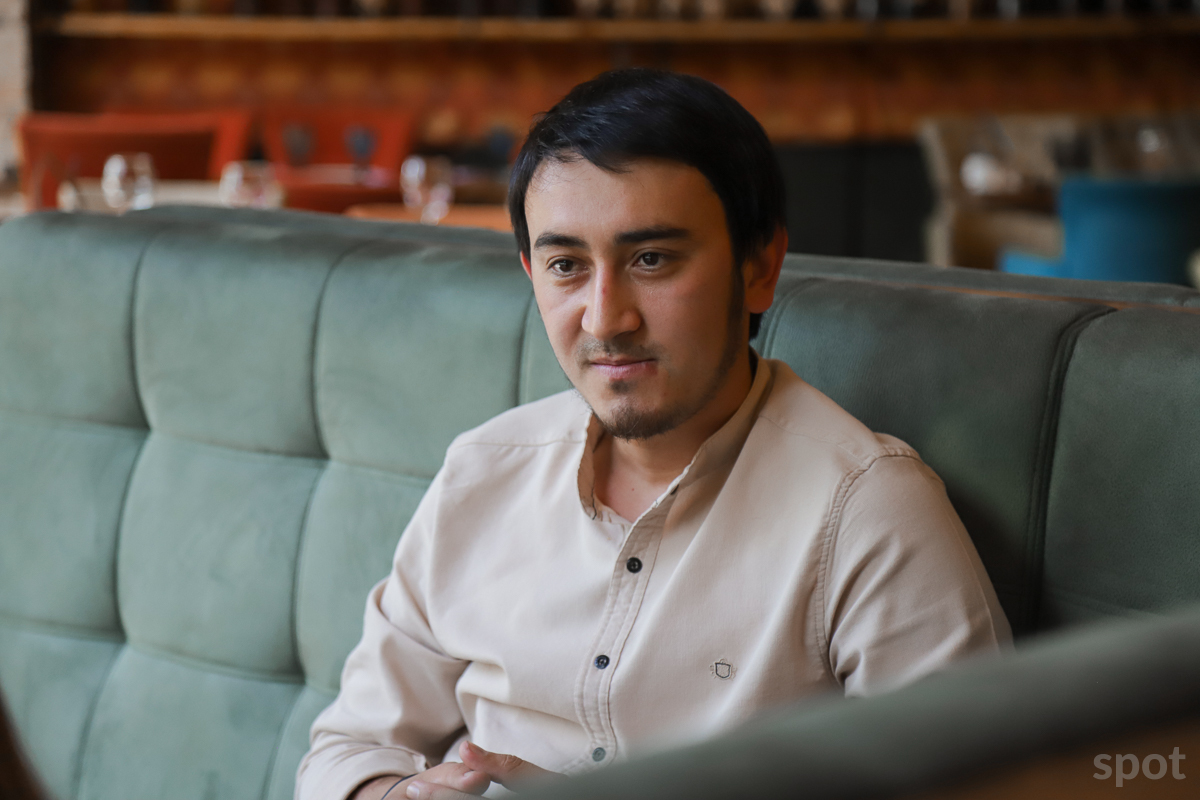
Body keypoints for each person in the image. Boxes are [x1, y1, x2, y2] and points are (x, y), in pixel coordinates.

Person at [296, 68, 1010, 800]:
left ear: (759, 267)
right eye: (567, 266)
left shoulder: (868, 512)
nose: (605, 318)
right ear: (531, 272)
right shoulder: (484, 472)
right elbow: (346, 749)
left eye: (651, 259)